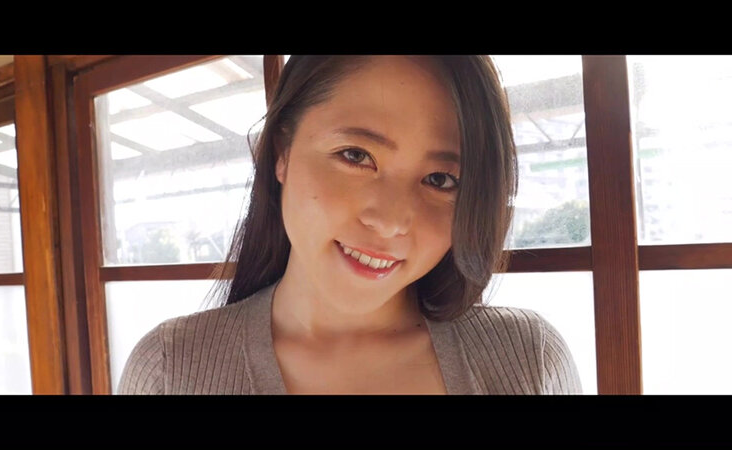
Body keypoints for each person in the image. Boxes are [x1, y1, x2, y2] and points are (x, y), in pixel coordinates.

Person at [117, 55, 582, 395]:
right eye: (356, 155)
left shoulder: (527, 361)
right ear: (282, 152)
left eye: (441, 180)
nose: (391, 222)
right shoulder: (172, 369)